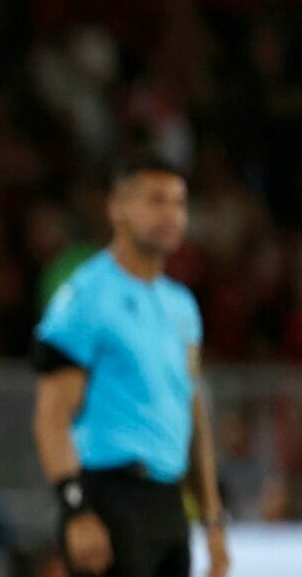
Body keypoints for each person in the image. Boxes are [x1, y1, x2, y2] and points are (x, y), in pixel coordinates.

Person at [31, 155, 229, 577]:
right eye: (156, 200)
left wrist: (212, 517)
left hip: (169, 501)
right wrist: (76, 510)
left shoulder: (181, 304)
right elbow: (51, 414)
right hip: (110, 499)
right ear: (117, 208)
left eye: (179, 203)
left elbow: (191, 410)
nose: (171, 214)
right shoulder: (87, 295)